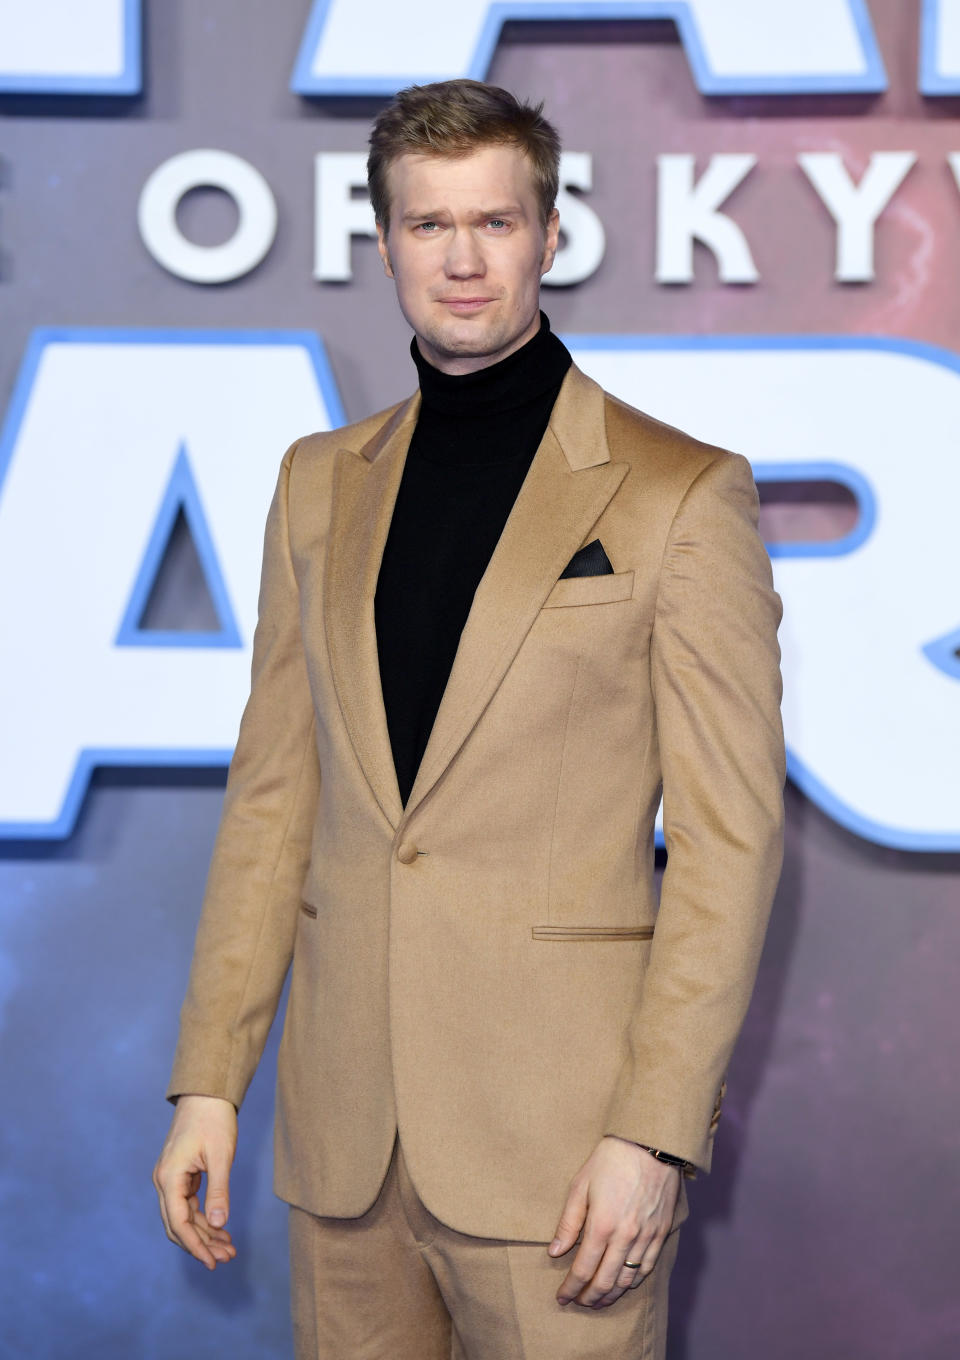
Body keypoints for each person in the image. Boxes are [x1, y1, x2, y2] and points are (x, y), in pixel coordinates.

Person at [153, 78, 785, 1358]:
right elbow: (275, 805)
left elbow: (730, 847)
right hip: (344, 1151)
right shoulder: (318, 483)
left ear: (550, 238)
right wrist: (211, 1081)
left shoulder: (680, 495)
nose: (461, 258)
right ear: (383, 244)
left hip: (562, 1159)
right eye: (429, 225)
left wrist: (655, 1132)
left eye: (493, 223)